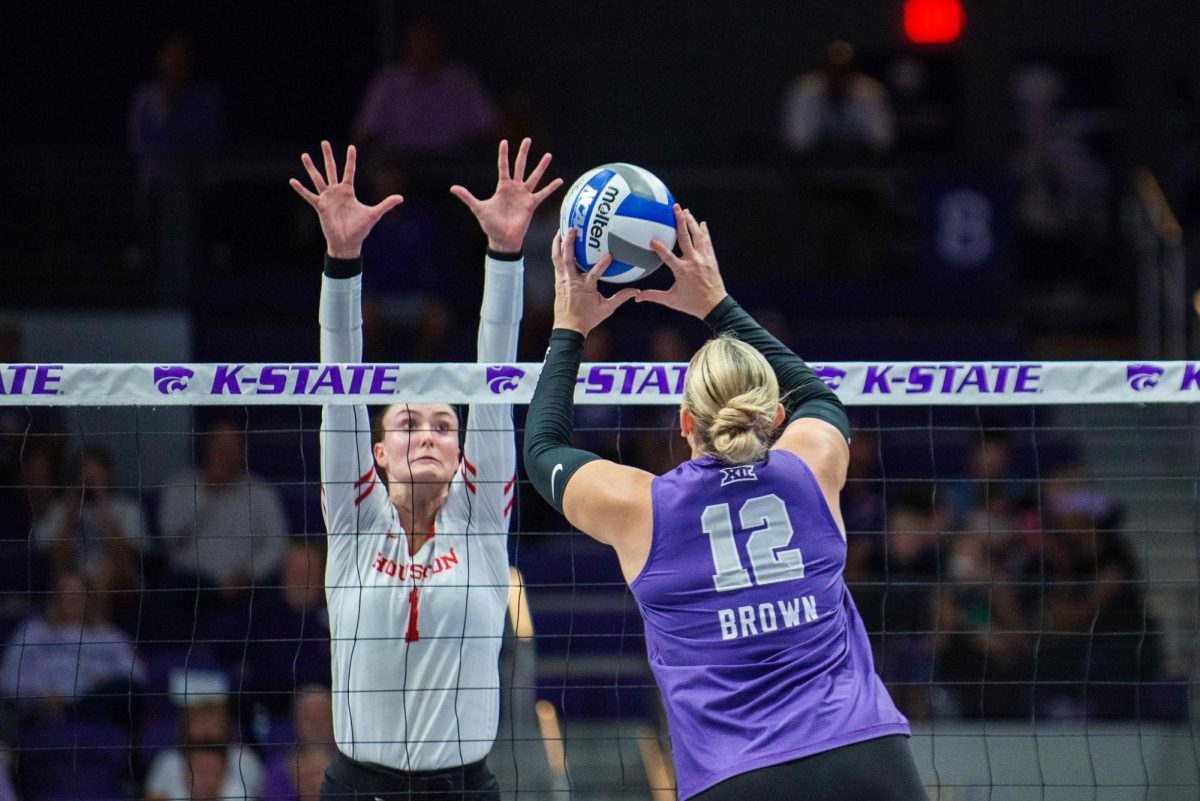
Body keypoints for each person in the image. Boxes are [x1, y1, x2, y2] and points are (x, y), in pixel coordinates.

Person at [523, 208, 927, 801]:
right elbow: (820, 396)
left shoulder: (645, 509)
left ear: (683, 422)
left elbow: (542, 450)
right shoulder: (810, 469)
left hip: (736, 775)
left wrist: (569, 326)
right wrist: (715, 302)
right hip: (863, 754)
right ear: (777, 417)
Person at [288, 137, 560, 799]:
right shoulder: (355, 520)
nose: (431, 434)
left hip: (462, 788)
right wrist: (343, 260)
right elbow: (340, 382)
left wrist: (504, 255)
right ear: (377, 453)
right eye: (409, 423)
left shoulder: (478, 523)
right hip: (359, 787)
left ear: (463, 453)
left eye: (444, 425)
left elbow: (495, 380)